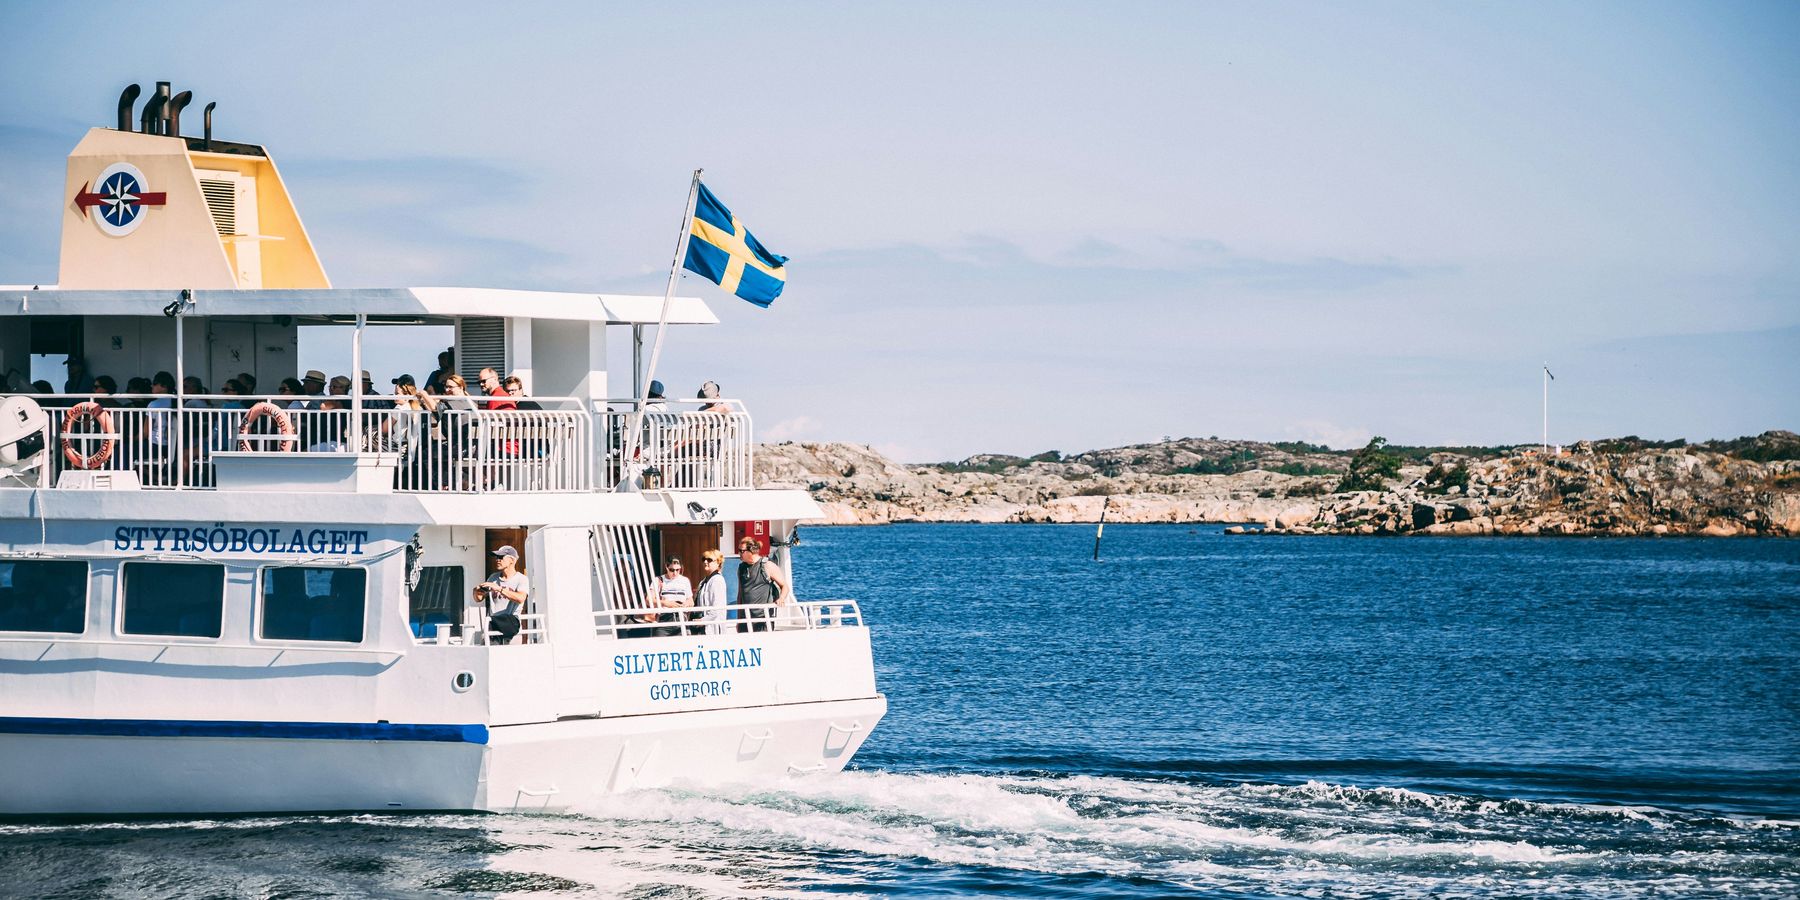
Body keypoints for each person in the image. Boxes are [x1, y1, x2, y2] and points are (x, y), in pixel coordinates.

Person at [471, 545, 529, 645]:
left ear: (512, 560)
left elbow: (521, 598)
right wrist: (476, 591)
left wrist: (499, 589)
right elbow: (479, 599)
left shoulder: (521, 579)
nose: (497, 560)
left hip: (511, 627)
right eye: (496, 557)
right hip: (493, 625)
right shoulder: (493, 577)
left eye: (501, 557)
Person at [735, 536, 791, 632]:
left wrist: (781, 598)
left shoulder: (767, 565)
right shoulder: (741, 568)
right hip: (745, 618)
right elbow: (740, 595)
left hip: (763, 618)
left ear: (751, 551)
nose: (739, 553)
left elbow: (785, 586)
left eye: (741, 551)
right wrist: (739, 619)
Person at [638, 557, 692, 638]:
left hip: (681, 618)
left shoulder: (685, 580)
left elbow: (690, 600)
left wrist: (686, 604)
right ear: (666, 567)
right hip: (663, 619)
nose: (675, 573)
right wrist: (665, 603)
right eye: (672, 570)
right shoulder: (658, 580)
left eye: (678, 570)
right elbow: (648, 600)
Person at [694, 549, 729, 636]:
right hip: (702, 627)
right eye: (704, 559)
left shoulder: (717, 580)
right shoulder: (703, 581)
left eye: (709, 560)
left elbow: (717, 607)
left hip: (713, 629)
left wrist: (703, 620)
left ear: (718, 563)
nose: (705, 562)